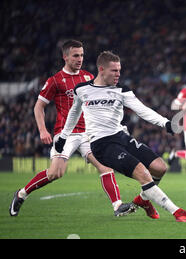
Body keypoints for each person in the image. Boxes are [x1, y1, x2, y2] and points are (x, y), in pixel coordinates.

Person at [55, 50, 186, 222]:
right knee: (143, 174)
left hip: (121, 137)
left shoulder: (121, 90)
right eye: (114, 71)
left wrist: (165, 123)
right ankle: (177, 212)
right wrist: (63, 137)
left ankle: (143, 200)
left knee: (160, 167)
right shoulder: (82, 89)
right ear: (101, 69)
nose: (118, 74)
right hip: (102, 145)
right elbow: (74, 113)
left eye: (119, 70)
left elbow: (142, 109)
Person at [9, 40, 135, 217]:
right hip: (66, 133)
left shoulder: (88, 77)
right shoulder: (55, 81)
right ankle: (21, 194)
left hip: (88, 133)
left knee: (105, 167)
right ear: (65, 56)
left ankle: (117, 205)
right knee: (55, 173)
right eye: (76, 55)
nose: (80, 59)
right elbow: (38, 106)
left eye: (82, 55)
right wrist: (43, 130)